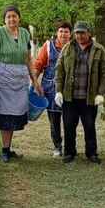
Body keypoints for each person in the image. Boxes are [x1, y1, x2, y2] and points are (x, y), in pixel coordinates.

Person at [0, 5, 42, 162]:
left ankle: (8, 148)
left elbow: (29, 58)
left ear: (19, 18)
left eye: (14, 16)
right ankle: (4, 150)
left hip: (19, 81)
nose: (11, 19)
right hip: (1, 81)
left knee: (13, 114)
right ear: (4, 19)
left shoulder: (24, 34)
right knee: (4, 115)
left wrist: (34, 80)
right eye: (8, 16)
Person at [54, 20, 105, 164]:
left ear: (89, 33)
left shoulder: (99, 49)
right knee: (69, 125)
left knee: (89, 126)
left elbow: (104, 74)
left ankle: (91, 153)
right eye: (77, 33)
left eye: (82, 33)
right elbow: (59, 70)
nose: (79, 36)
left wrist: (100, 93)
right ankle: (69, 152)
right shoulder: (67, 48)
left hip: (89, 98)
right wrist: (58, 91)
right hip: (69, 97)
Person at [34, 21, 73, 157]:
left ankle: (69, 147)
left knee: (69, 120)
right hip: (50, 89)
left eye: (66, 31)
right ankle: (57, 146)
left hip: (69, 89)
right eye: (61, 31)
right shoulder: (48, 46)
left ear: (70, 33)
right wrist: (33, 82)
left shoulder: (74, 47)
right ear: (57, 32)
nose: (63, 34)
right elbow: (39, 64)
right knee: (54, 121)